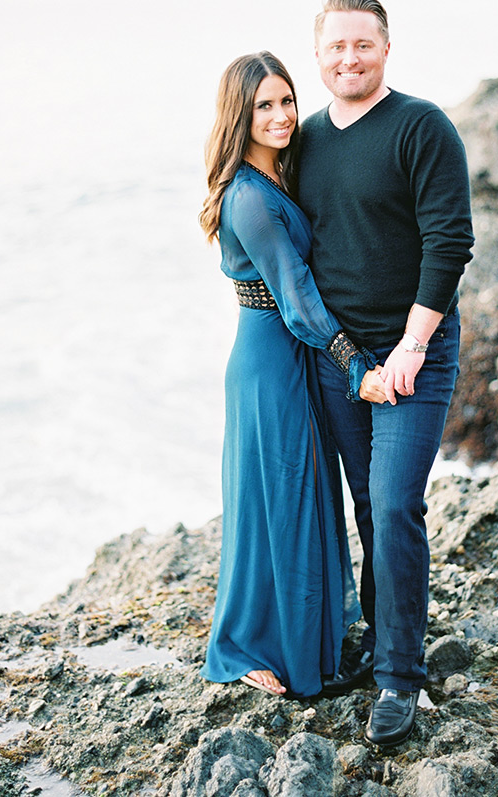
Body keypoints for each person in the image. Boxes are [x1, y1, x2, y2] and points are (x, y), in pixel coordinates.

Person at [297, 0, 475, 743]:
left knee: (396, 504)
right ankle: (380, 641)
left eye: (362, 45)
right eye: (336, 46)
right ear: (319, 53)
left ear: (386, 48)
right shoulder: (304, 140)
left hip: (414, 357)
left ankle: (401, 675)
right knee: (367, 508)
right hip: (343, 363)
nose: (349, 58)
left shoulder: (421, 127)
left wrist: (410, 346)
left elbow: (450, 242)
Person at [199, 51, 386, 699]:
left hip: (290, 356)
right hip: (269, 362)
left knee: (303, 498)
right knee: (273, 503)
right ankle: (243, 647)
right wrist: (354, 362)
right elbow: (296, 295)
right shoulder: (248, 199)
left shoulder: (276, 174)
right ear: (239, 117)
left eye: (286, 101)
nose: (281, 117)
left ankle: (310, 638)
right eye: (264, 107)